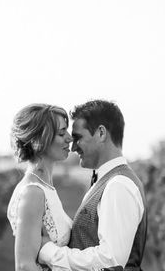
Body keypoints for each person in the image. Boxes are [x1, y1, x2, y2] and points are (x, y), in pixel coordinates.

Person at [38, 100, 148, 271]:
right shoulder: (109, 180)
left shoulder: (118, 185)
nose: (73, 147)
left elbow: (110, 260)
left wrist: (49, 253)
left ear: (101, 133)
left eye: (78, 138)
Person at [7, 103, 74, 271]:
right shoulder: (33, 192)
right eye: (61, 133)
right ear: (40, 140)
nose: (69, 138)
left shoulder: (45, 188)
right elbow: (24, 266)